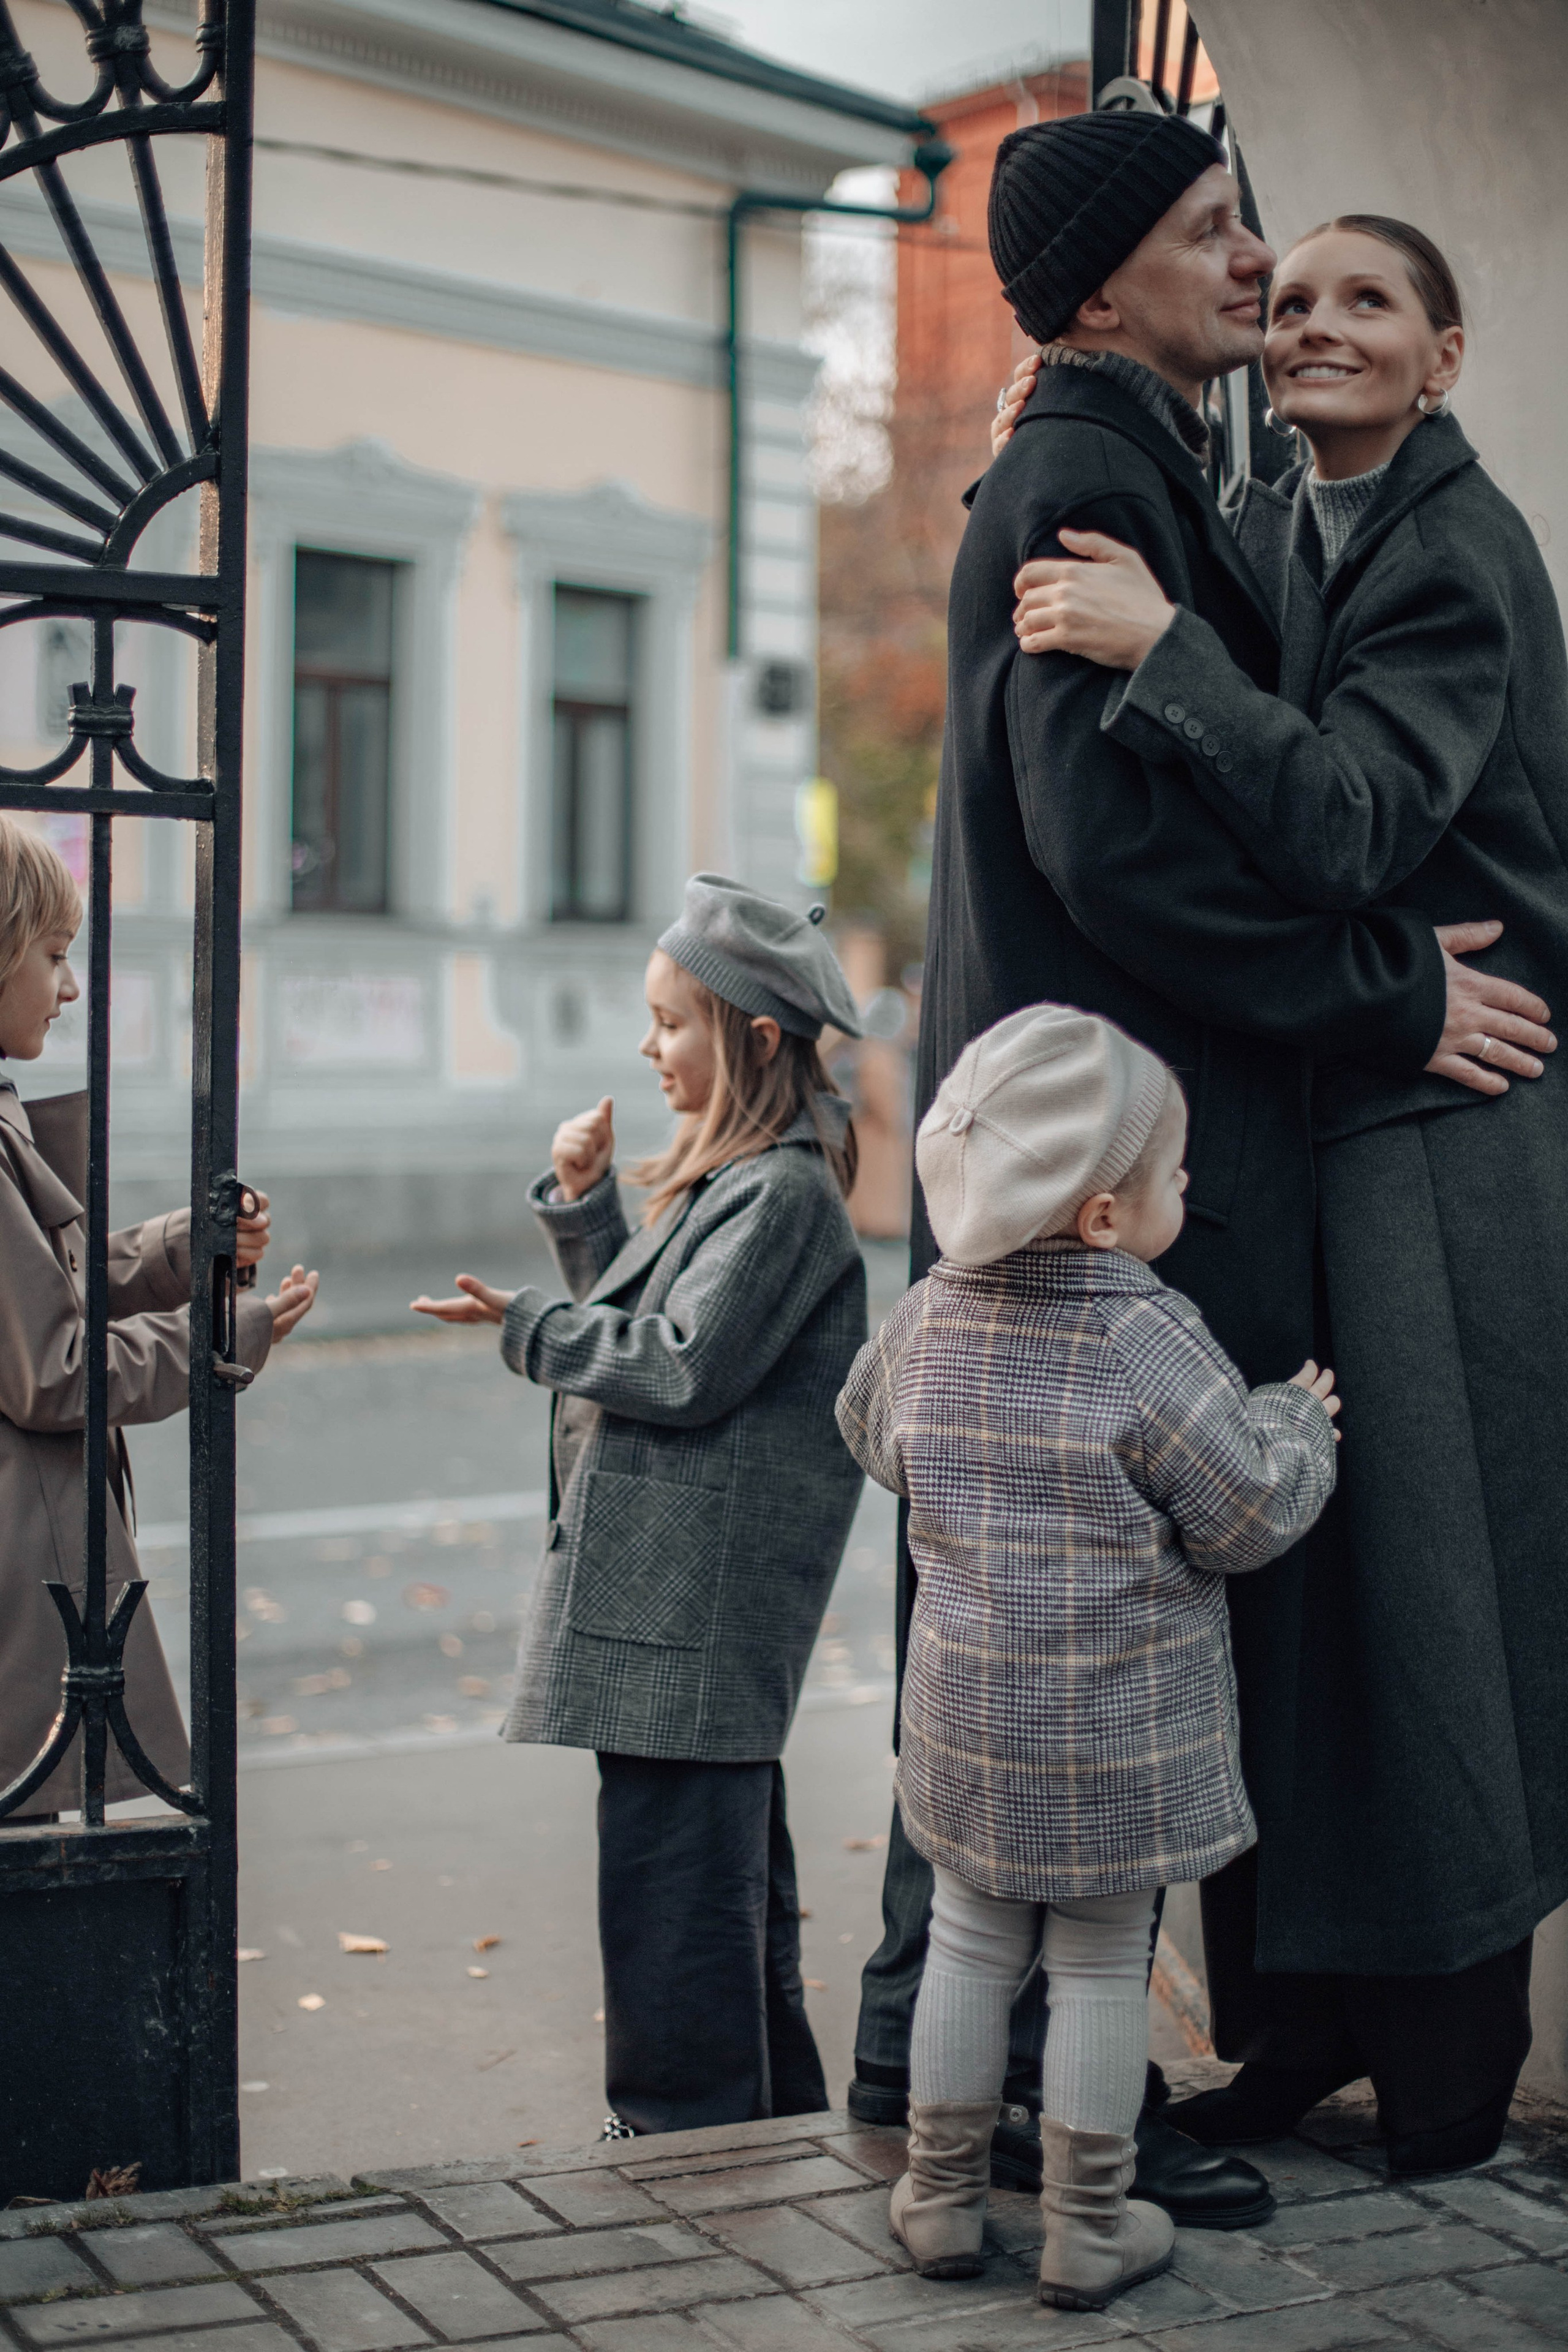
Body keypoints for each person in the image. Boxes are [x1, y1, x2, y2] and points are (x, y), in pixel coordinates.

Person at [847, 110, 1551, 2222]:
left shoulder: (1157, 465)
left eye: (1299, 253)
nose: (1257, 269)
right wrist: (1387, 993)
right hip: (1118, 1148)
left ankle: (935, 2044)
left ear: (1446, 354)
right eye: (1218, 234)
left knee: (1032, 1609)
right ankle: (1028, 2088)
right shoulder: (1091, 469)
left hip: (1124, 1140)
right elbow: (1122, 848)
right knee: (1096, 1621)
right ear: (1092, 294)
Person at [837, 1004, 1339, 2309]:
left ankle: (940, 2201)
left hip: (965, 1723)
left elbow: (869, 1434)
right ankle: (1085, 2224)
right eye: (1170, 1171)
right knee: (1100, 1966)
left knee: (965, 1944)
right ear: (1103, 1214)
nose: (1184, 1190)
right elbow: (1241, 1515)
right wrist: (1293, 1420)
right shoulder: (1140, 1328)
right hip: (1114, 1734)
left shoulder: (930, 1319)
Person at [412, 873, 869, 2138]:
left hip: (696, 1624)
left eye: (671, 1021)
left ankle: (683, 2140)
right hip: (675, 1617)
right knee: (708, 1894)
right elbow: (671, 1328)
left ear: (752, 1040)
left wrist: (526, 1325)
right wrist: (587, 1219)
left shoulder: (780, 1195)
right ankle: (758, 2127)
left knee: (678, 1902)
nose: (648, 1045)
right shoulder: (744, 1188)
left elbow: (676, 1366)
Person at [0, 817, 318, 1817]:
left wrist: (185, 1251)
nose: (71, 986)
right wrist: (225, 1336)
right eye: (53, 955)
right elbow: (49, 1367)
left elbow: (35, 1289)